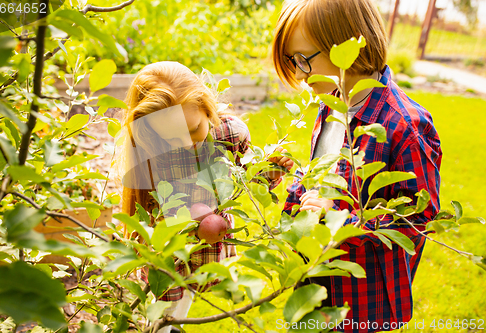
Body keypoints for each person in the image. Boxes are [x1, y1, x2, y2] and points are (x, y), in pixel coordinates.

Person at [271, 0, 442, 332]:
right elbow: (321, 183)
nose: (298, 74)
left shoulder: (404, 127)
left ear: (347, 46)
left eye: (304, 59)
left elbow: (416, 221)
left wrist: (340, 221)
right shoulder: (332, 107)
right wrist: (294, 197)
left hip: (363, 303)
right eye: (292, 61)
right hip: (318, 284)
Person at [116, 61, 293, 333]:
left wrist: (269, 169)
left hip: (211, 236)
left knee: (185, 299)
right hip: (170, 239)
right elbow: (144, 201)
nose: (187, 144)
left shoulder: (229, 134)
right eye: (172, 138)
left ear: (206, 106)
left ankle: (168, 328)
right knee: (165, 300)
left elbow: (249, 176)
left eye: (192, 129)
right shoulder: (151, 145)